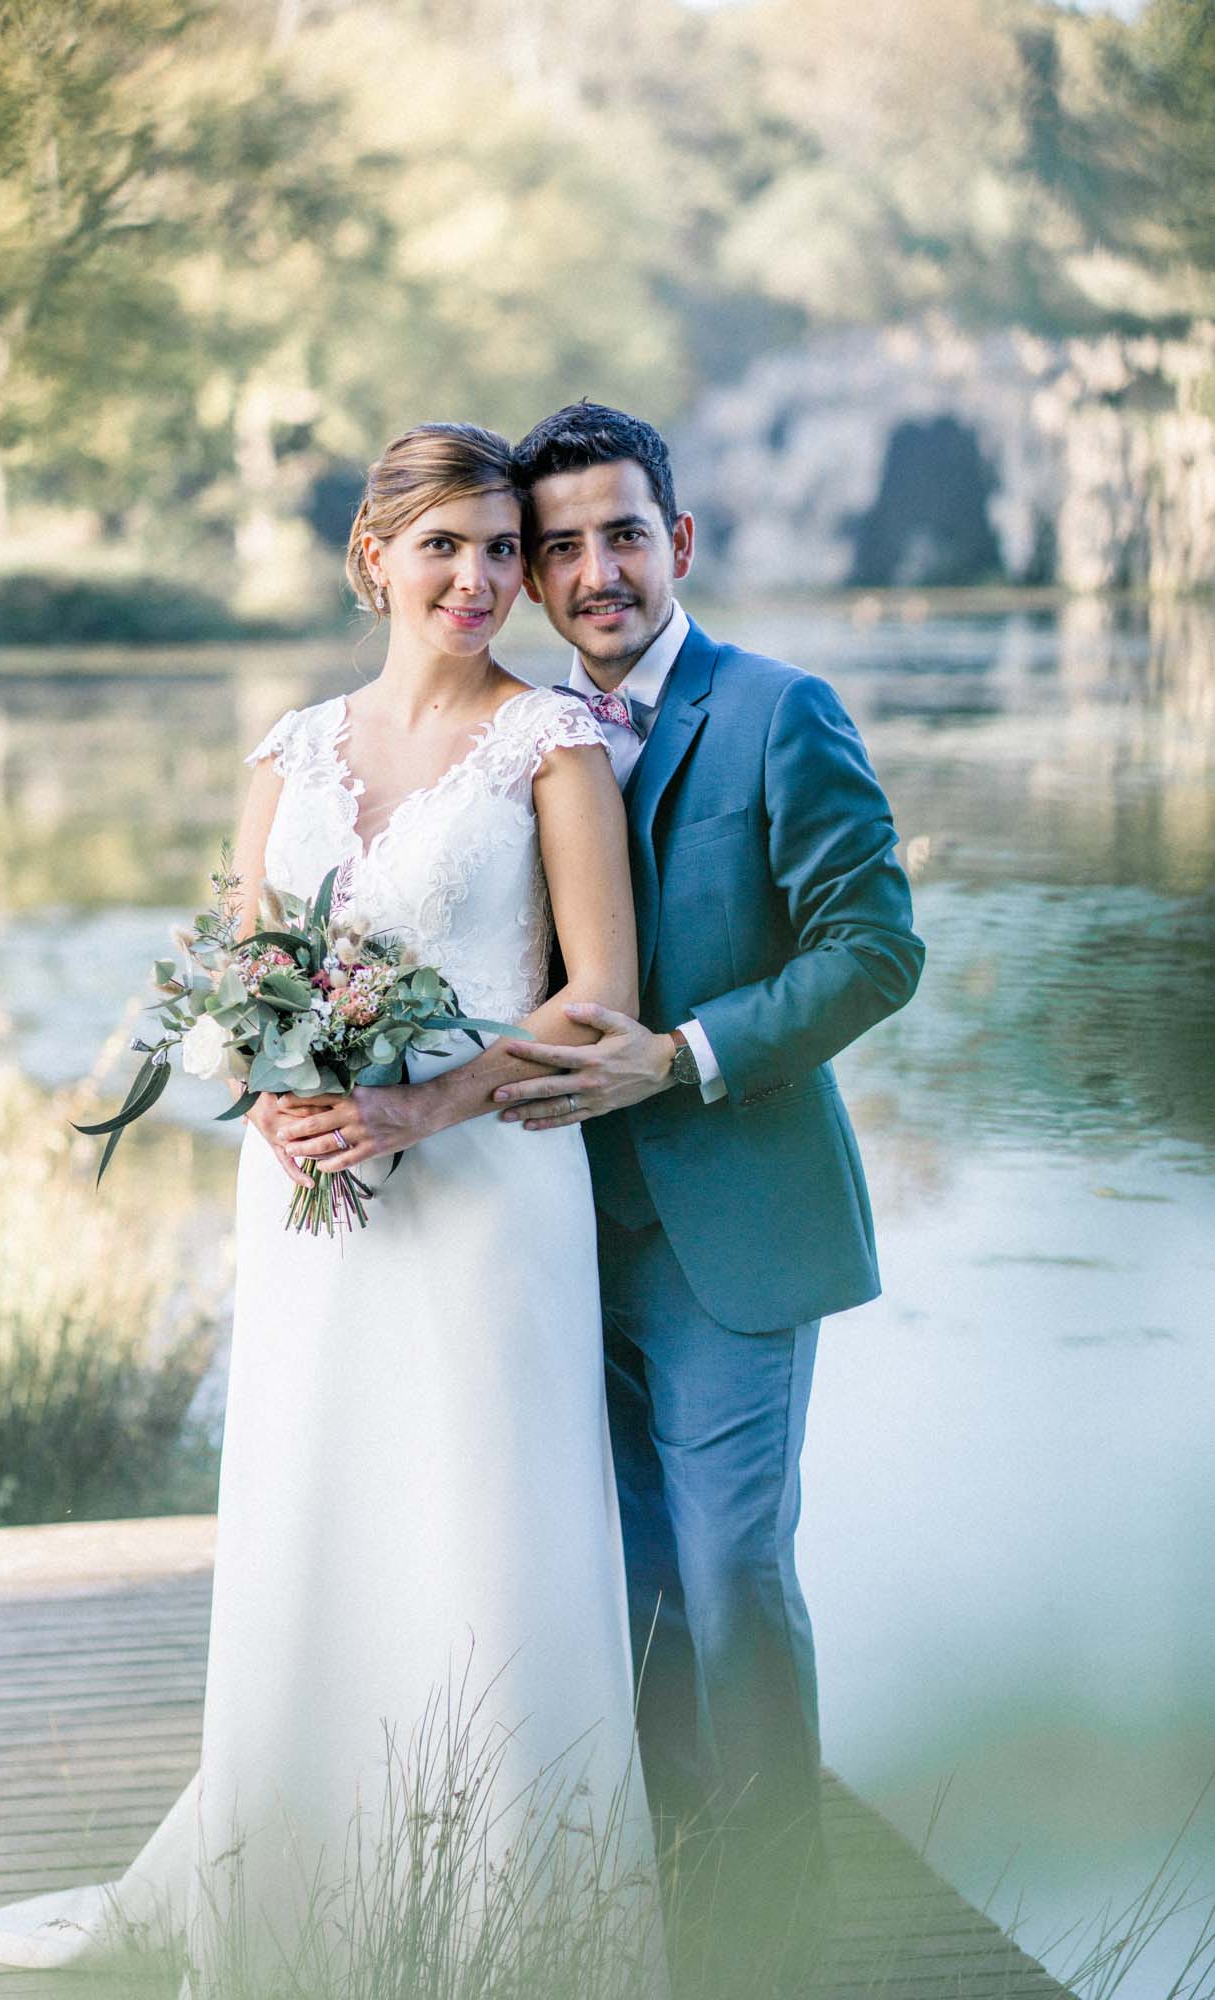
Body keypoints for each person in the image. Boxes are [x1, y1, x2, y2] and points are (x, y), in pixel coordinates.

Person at [0, 424, 665, 1997]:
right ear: (373, 556)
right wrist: (267, 1083)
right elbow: (238, 966)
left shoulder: (557, 744)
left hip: (491, 1196)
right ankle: (305, 1880)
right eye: (444, 546)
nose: (475, 580)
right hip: (310, 1200)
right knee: (323, 1512)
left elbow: (600, 992)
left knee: (481, 1520)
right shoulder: (294, 748)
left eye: (496, 550)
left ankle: (510, 1913)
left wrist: (427, 1099)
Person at [485, 402, 927, 1994]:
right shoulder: (518, 735)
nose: (595, 571)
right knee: (625, 1585)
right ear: (530, 577)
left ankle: (779, 1931)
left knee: (734, 1573)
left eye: (621, 535)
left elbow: (875, 952)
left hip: (733, 1229)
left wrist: (680, 1056)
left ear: (676, 542)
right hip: (540, 1244)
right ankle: (671, 1900)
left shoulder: (775, 711)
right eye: (561, 547)